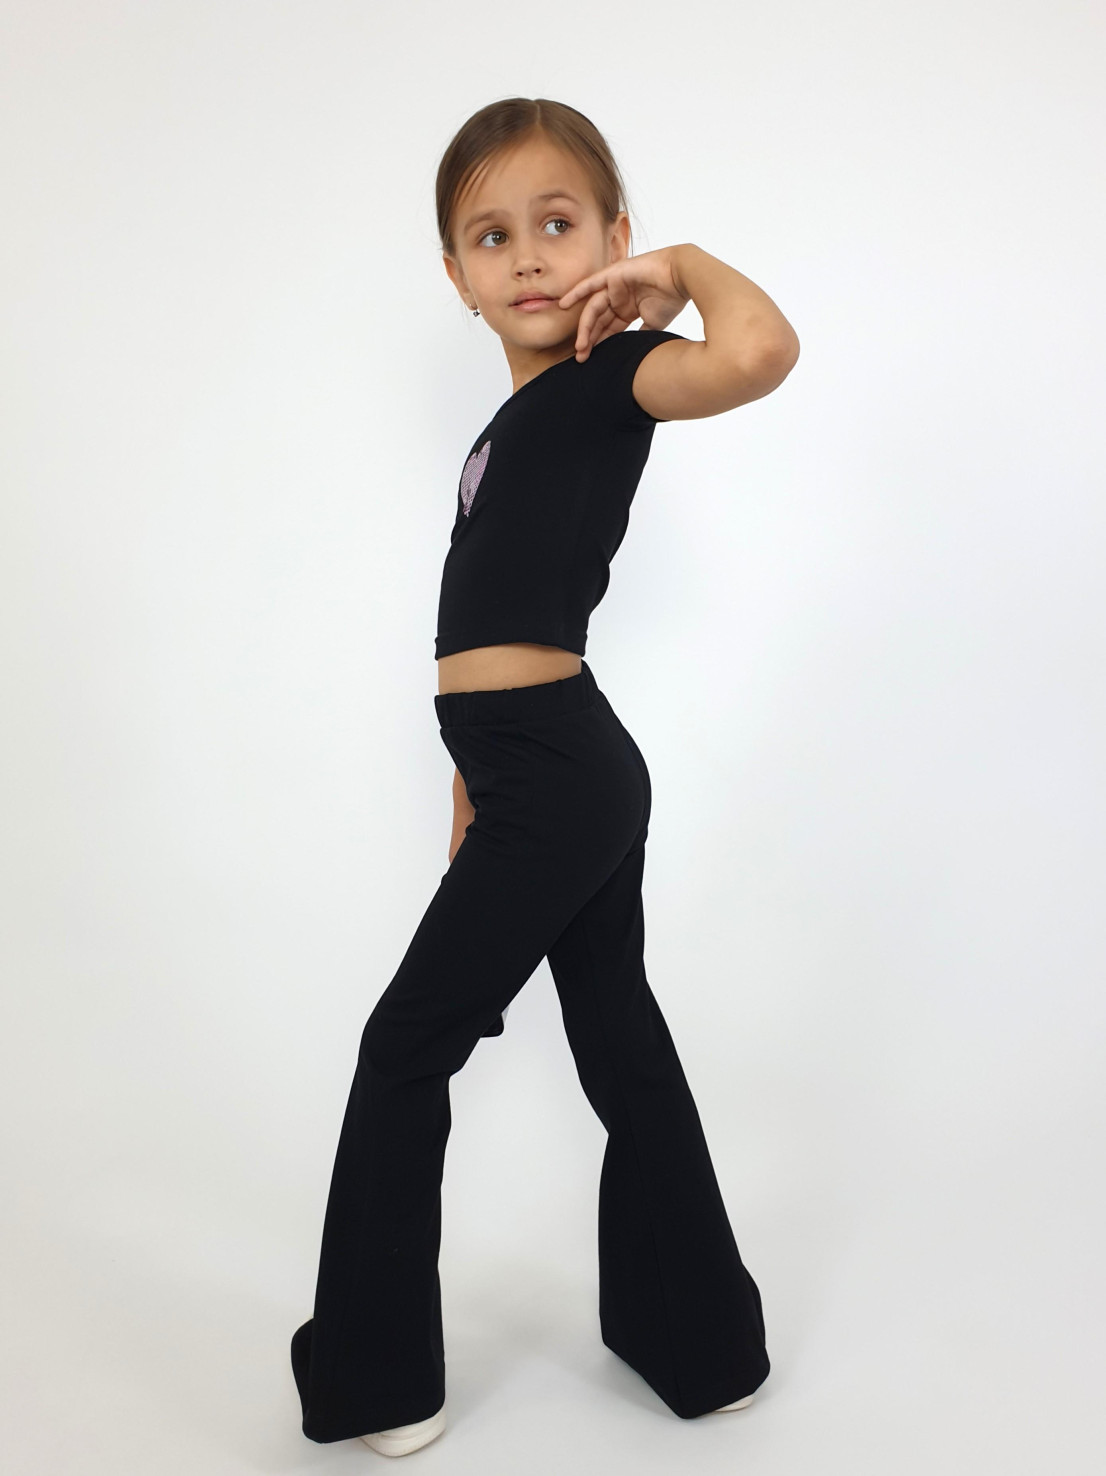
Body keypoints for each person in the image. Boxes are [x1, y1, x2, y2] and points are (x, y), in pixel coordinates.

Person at [290, 96, 800, 1458]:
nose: (526, 256)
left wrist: (678, 271)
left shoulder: (614, 375)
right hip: (535, 769)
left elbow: (760, 351)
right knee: (617, 1040)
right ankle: (703, 1349)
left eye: (558, 225)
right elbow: (483, 624)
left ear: (611, 240)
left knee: (403, 1048)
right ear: (455, 275)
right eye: (491, 236)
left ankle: (379, 1382)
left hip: (563, 774)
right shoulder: (506, 429)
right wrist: (468, 793)